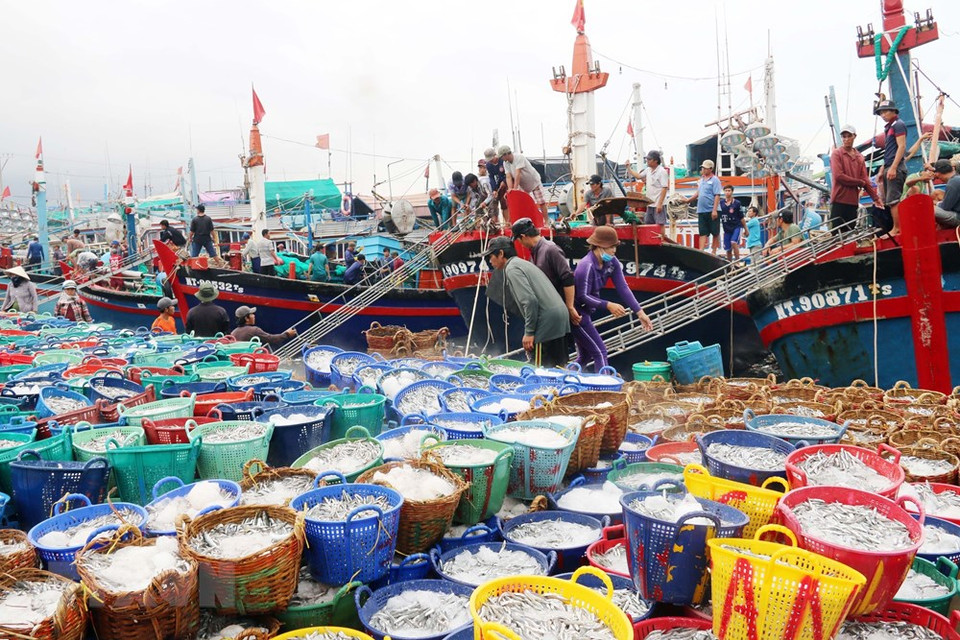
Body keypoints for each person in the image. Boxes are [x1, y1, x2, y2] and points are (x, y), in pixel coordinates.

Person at [573, 226, 653, 371]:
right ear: (598, 246)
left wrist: (640, 312)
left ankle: (565, 377)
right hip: (576, 315)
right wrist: (607, 305)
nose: (614, 251)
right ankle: (605, 388)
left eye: (615, 246)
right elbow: (582, 296)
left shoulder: (612, 262)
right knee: (600, 352)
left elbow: (623, 288)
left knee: (584, 356)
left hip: (586, 312)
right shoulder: (586, 266)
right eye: (610, 247)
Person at [483, 236, 570, 367]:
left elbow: (529, 301)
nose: (489, 261)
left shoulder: (512, 269)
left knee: (540, 370)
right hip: (560, 318)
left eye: (490, 256)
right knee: (560, 367)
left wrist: (529, 332)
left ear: (501, 253)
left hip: (546, 323)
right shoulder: (523, 263)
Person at [512, 217, 580, 327]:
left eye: (518, 240)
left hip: (557, 311)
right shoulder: (534, 253)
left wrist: (570, 307)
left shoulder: (550, 249)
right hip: (547, 312)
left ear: (523, 237)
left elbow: (567, 278)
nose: (519, 243)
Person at [829, 124, 883, 233]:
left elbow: (865, 180)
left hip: (852, 202)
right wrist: (859, 182)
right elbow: (839, 176)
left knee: (849, 233)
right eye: (844, 136)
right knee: (836, 234)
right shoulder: (837, 154)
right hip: (839, 199)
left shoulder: (859, 157)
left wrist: (876, 198)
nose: (846, 139)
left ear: (854, 136)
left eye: (849, 136)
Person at [875, 100, 908, 235]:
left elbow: (902, 146)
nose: (883, 115)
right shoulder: (890, 127)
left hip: (895, 167)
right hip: (889, 166)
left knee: (893, 200)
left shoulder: (898, 125)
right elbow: (890, 150)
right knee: (890, 200)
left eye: (885, 111)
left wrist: (894, 167)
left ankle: (897, 228)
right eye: (881, 112)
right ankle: (896, 227)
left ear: (894, 111)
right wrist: (884, 167)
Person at [499, 145, 548, 220]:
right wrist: (510, 189)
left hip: (534, 181)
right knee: (524, 203)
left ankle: (546, 221)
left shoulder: (519, 157)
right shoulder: (505, 163)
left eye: (502, 156)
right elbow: (508, 176)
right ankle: (530, 221)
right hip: (523, 185)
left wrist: (515, 189)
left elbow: (517, 174)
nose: (501, 158)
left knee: (541, 202)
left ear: (506, 154)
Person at [685, 159, 722, 254]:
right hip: (701, 210)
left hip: (711, 209)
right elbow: (698, 193)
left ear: (710, 169)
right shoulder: (701, 180)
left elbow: (717, 195)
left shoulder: (715, 180)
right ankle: (701, 250)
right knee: (702, 232)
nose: (703, 170)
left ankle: (714, 251)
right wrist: (688, 200)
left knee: (715, 232)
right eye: (703, 168)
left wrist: (714, 210)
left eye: (705, 168)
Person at [628, 150, 669, 233]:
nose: (647, 161)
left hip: (657, 203)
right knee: (649, 223)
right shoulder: (648, 170)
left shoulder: (662, 172)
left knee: (660, 224)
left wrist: (660, 204)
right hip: (650, 203)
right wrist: (629, 168)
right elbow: (639, 176)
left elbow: (664, 188)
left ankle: (661, 238)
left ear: (655, 161)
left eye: (649, 159)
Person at [232, 306, 297, 348]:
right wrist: (287, 334)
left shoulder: (233, 333)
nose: (254, 316)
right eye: (251, 314)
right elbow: (272, 339)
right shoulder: (254, 330)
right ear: (246, 318)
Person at [719, 185, 746, 262]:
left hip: (736, 226)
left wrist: (746, 229)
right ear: (724, 192)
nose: (727, 192)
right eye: (726, 190)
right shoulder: (721, 203)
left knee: (734, 242)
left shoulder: (737, 203)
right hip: (727, 228)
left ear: (732, 192)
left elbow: (741, 217)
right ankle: (730, 264)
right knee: (728, 249)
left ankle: (737, 261)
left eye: (729, 190)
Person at [932, 159, 960, 228]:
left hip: (958, 217)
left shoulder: (953, 182)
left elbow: (946, 207)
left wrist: (935, 203)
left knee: (927, 208)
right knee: (937, 192)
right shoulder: (956, 178)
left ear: (938, 174)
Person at [484, 147, 509, 223]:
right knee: (499, 203)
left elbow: (508, 173)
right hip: (498, 185)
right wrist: (494, 189)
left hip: (507, 181)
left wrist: (504, 181)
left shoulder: (502, 160)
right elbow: (491, 177)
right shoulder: (488, 165)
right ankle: (501, 222)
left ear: (495, 155)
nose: (491, 161)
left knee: (505, 202)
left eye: (492, 158)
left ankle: (508, 222)